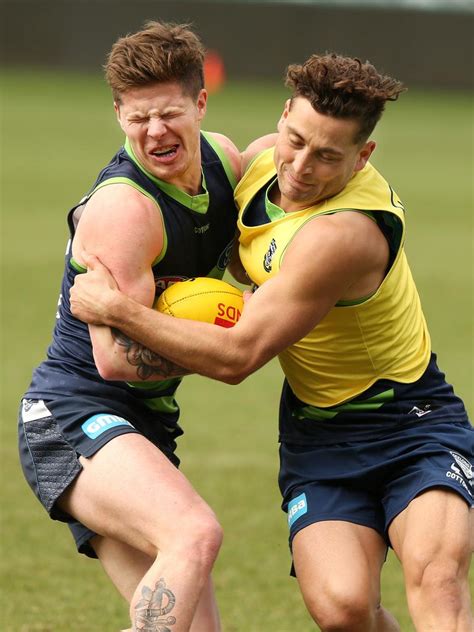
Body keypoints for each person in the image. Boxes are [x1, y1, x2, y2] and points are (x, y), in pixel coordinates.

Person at [70, 52, 473, 631]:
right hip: (318, 433)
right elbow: (230, 241)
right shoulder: (260, 162)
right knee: (343, 610)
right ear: (284, 116)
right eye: (296, 139)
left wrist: (117, 310)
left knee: (436, 580)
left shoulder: (345, 234)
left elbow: (238, 358)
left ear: (364, 156)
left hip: (410, 420)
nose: (301, 167)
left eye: (328, 156)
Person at [18, 20, 242, 632]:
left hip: (145, 424)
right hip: (72, 414)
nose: (155, 131)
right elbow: (116, 360)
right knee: (194, 532)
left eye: (169, 113)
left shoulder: (224, 161)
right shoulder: (124, 210)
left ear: (200, 102)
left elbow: (284, 179)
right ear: (118, 113)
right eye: (137, 117)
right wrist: (227, 350)